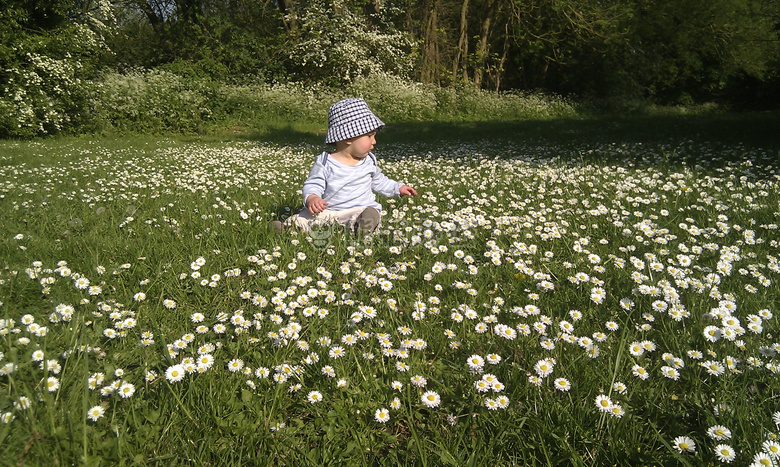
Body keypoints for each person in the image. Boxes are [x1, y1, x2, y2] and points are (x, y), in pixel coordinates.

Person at [271, 98, 417, 237]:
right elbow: (313, 183)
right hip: (328, 211)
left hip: (358, 209)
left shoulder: (368, 162)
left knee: (370, 212)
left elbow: (380, 182)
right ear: (348, 137)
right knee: (305, 217)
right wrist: (312, 197)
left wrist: (397, 188)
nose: (374, 141)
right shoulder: (325, 162)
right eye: (369, 136)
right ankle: (287, 228)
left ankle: (363, 226)